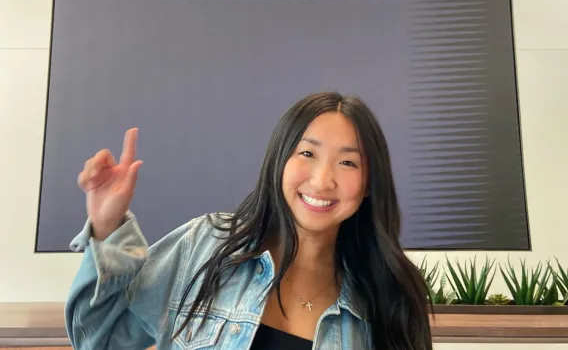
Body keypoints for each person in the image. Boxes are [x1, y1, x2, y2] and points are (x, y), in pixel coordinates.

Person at [65, 91, 433, 349]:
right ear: (279, 161)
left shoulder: (389, 299)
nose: (322, 180)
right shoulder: (205, 247)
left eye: (348, 162)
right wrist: (107, 227)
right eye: (307, 153)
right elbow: (100, 339)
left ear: (369, 184)